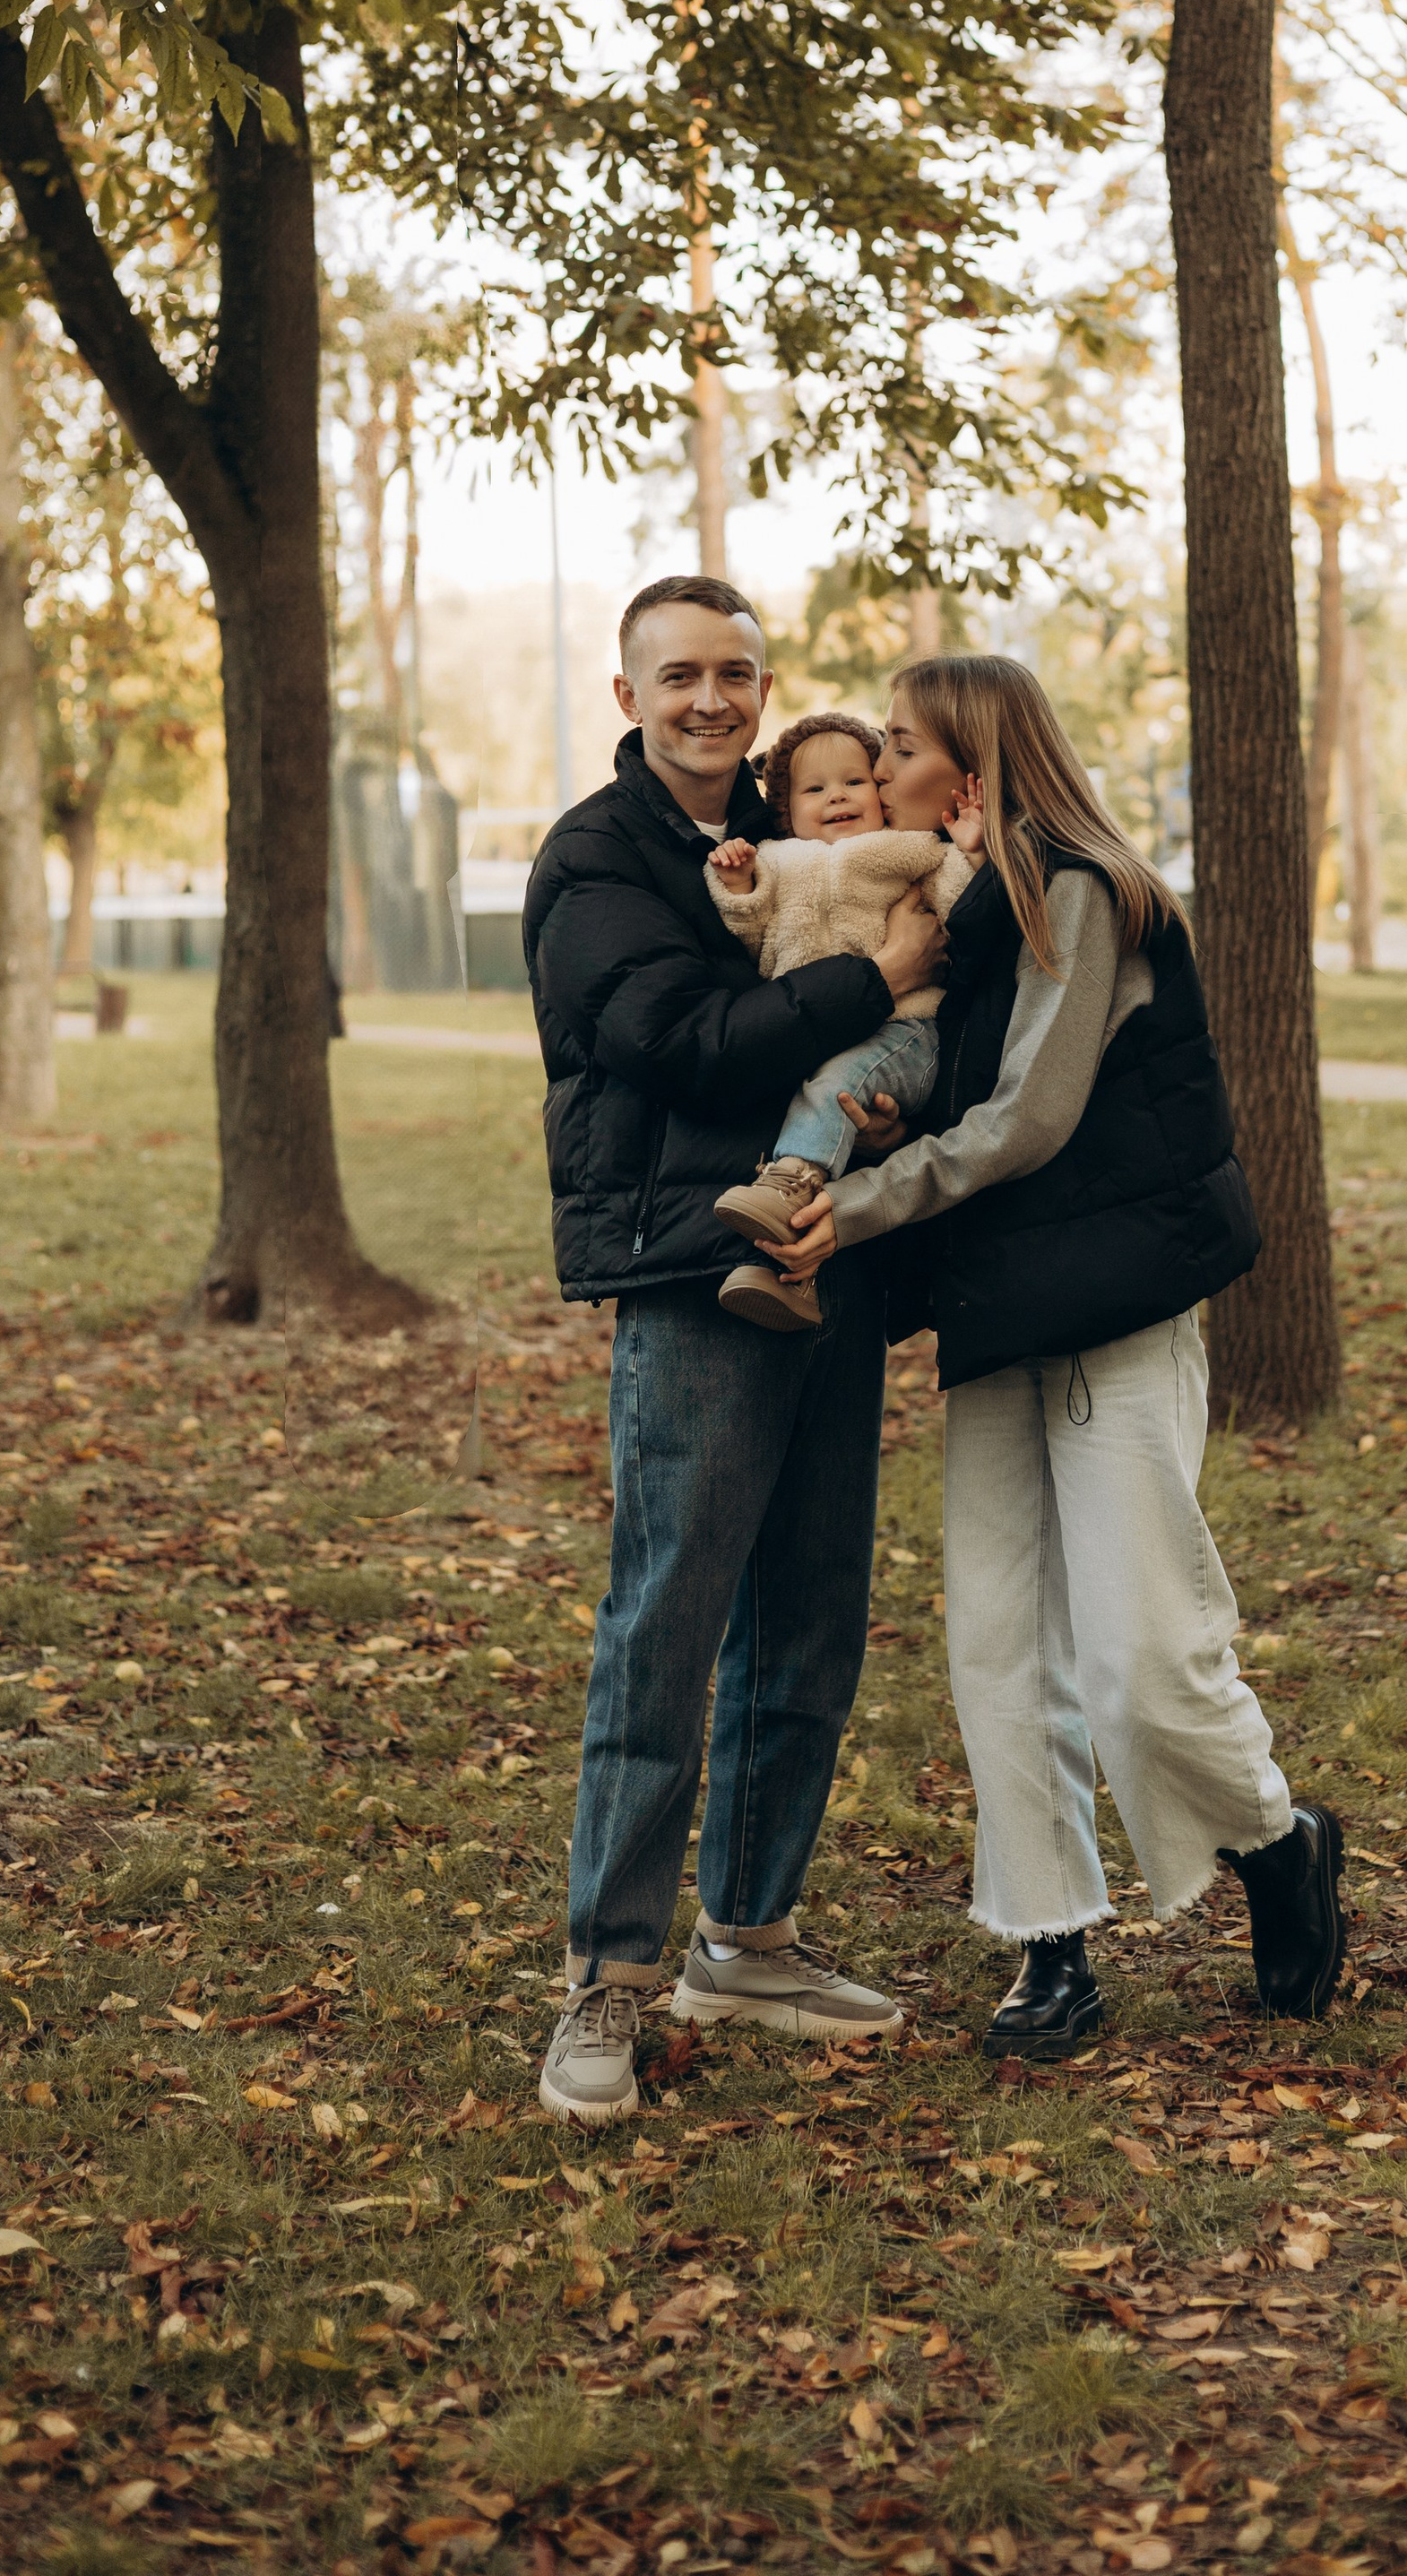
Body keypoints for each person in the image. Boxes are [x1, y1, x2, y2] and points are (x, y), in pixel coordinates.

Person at [765, 653, 1348, 2050]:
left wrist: (852, 1208)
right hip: (998, 1315)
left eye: (898, 744)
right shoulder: (968, 909)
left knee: (1144, 1654)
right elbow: (970, 1095)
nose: (876, 767)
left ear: (965, 768)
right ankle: (1051, 1946)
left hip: (1117, 1311)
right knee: (1000, 1648)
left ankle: (1277, 1841)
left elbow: (1030, 1119)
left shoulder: (1083, 890)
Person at [522, 576, 948, 2122]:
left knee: (812, 1614)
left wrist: (893, 1083)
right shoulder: (599, 855)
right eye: (681, 674)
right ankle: (608, 1975)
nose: (713, 697)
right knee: (670, 1623)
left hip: (824, 1255)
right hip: (694, 1275)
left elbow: (848, 1051)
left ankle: (748, 1936)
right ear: (629, 693)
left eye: (737, 673)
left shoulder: (798, 841)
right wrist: (877, 984)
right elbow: (677, 1042)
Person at [705, 712, 979, 1332]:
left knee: (832, 1087)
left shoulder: (910, 850)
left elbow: (959, 908)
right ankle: (789, 1277)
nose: (836, 797)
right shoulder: (776, 861)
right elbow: (747, 931)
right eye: (814, 789)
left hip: (903, 1033)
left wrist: (968, 852)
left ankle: (791, 1184)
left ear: (880, 794)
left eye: (854, 782)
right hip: (812, 1040)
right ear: (785, 811)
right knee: (813, 1098)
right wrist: (739, 882)